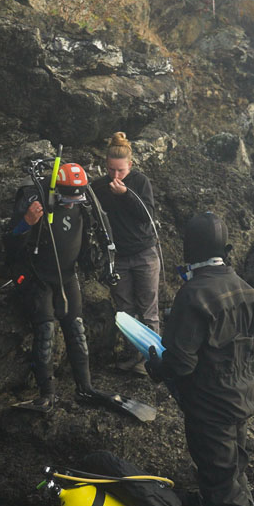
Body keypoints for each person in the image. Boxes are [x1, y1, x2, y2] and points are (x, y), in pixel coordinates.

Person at [145, 212, 254, 506]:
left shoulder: (193, 295)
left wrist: (154, 364)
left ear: (190, 249)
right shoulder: (250, 292)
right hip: (242, 397)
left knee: (226, 482)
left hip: (209, 404)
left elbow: (181, 363)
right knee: (231, 474)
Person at [4, 160, 115, 412]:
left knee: (76, 330)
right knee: (45, 333)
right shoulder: (36, 199)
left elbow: (101, 232)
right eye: (68, 200)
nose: (72, 205)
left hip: (68, 276)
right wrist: (27, 223)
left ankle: (85, 387)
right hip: (39, 277)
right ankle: (47, 393)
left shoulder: (84, 203)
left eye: (77, 201)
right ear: (57, 191)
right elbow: (10, 243)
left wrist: (106, 263)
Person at [90, 132, 160, 376]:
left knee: (148, 310)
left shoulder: (140, 182)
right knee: (125, 310)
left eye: (120, 170)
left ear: (130, 165)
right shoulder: (99, 186)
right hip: (117, 257)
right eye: (111, 170)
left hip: (144, 254)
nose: (115, 176)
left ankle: (152, 361)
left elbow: (147, 215)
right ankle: (133, 355)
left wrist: (126, 194)